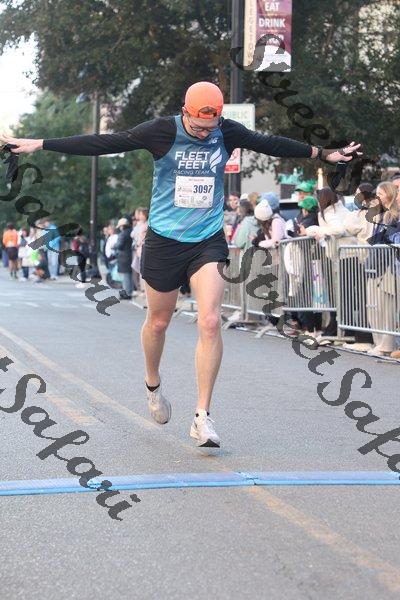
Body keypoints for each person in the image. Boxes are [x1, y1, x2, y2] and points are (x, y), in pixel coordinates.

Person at [0, 80, 362, 448]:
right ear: (185, 112)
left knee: (210, 321)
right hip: (164, 241)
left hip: (206, 240)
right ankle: (152, 383)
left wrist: (323, 153)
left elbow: (270, 143)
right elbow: (105, 142)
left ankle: (202, 416)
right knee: (158, 322)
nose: (205, 133)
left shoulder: (226, 132)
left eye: (210, 127)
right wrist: (39, 144)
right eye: (199, 127)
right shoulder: (160, 131)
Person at [365, 182, 399, 356]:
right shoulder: (378, 214)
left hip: (389, 267)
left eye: (381, 193)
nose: (377, 196)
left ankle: (386, 345)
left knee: (386, 308)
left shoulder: (394, 215)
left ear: (389, 195)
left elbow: (392, 239)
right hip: (375, 265)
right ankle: (378, 342)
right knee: (373, 307)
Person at [115, 217, 134, 299]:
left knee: (126, 275)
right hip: (131, 255)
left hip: (124, 257)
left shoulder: (122, 234)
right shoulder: (131, 231)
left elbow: (119, 245)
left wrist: (114, 245)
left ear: (122, 226)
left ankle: (127, 293)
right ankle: (129, 291)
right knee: (130, 275)